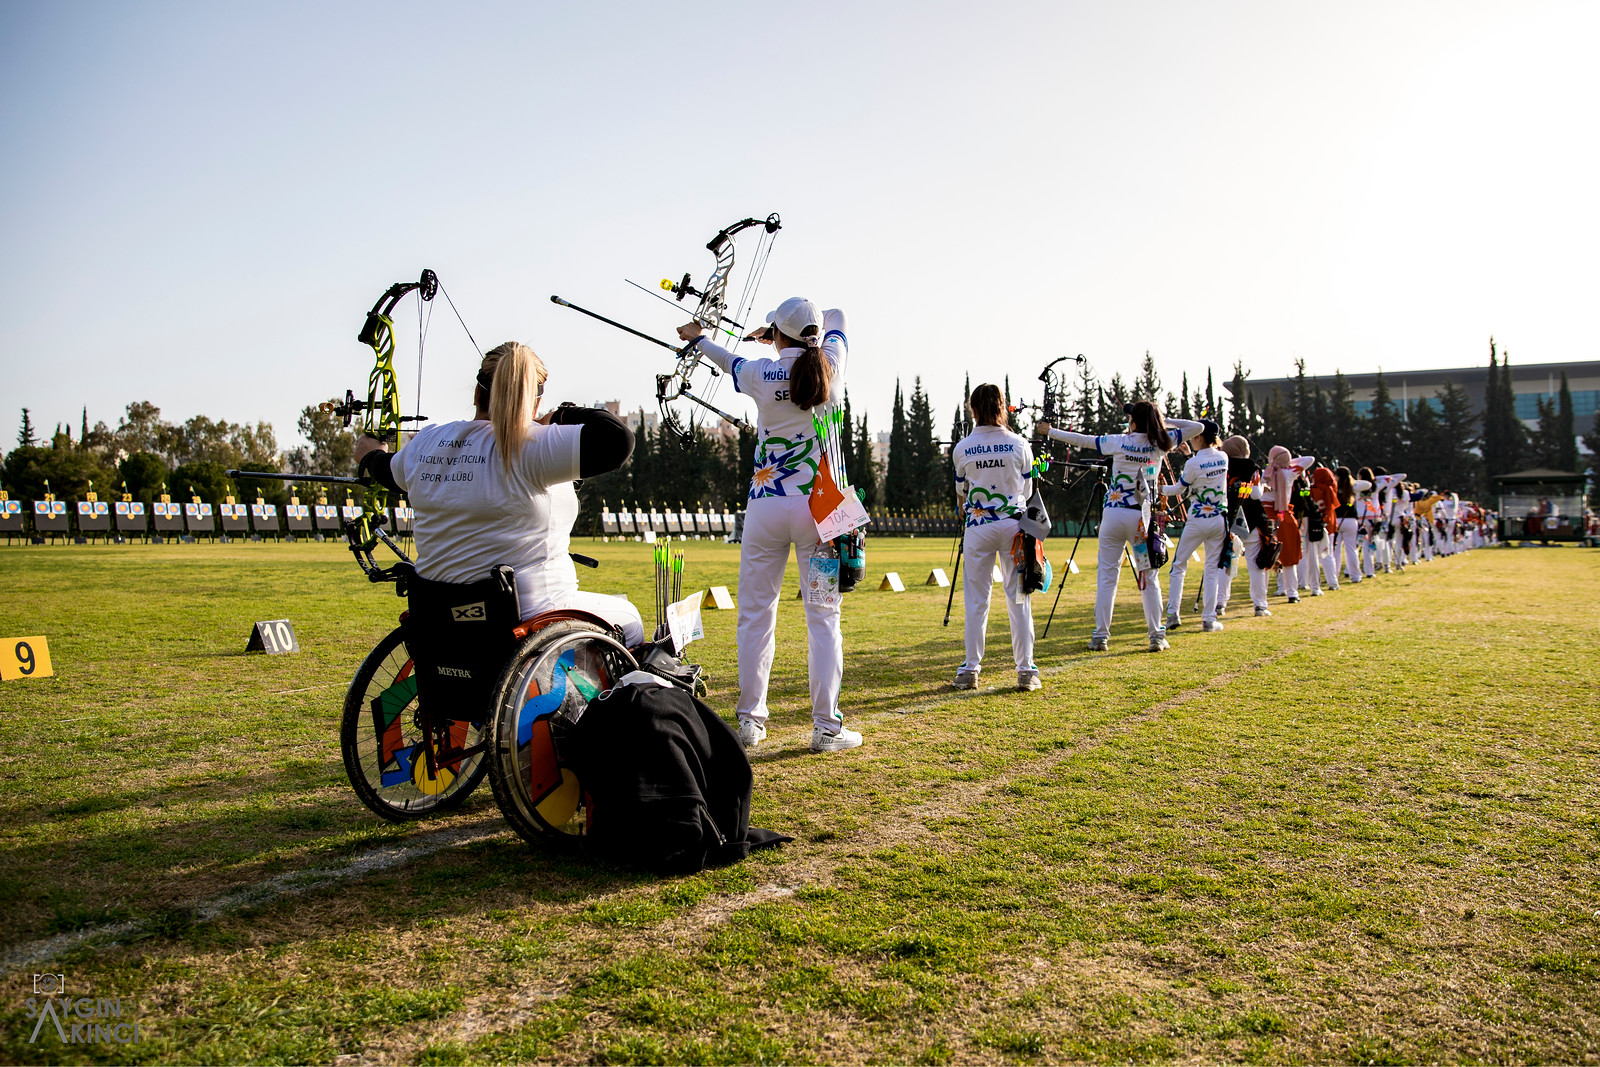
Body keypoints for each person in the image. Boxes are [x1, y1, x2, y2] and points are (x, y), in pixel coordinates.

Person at [354, 340, 644, 645]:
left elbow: (387, 471)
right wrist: (561, 415)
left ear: (477, 393)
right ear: (533, 402)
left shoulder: (428, 442)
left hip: (438, 616)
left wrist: (368, 455)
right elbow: (618, 440)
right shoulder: (531, 444)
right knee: (629, 617)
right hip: (530, 617)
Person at [676, 298, 861, 753]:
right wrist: (786, 334)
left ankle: (751, 721)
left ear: (778, 335)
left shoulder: (760, 373)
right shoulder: (831, 366)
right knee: (824, 619)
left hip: (765, 510)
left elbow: (724, 358)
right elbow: (837, 320)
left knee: (755, 616)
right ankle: (826, 727)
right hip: (819, 514)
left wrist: (699, 338)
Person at [1038, 402, 1204, 651]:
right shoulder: (1162, 441)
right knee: (1148, 577)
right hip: (1141, 519)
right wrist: (1163, 421)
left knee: (1107, 577)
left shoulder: (1118, 440)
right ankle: (1156, 636)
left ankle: (1100, 636)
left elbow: (1082, 440)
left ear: (1134, 423)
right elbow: (1198, 426)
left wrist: (1050, 431)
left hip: (1114, 515)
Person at [950, 384, 1040, 690]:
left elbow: (961, 493)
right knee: (1019, 599)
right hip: (1014, 527)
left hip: (978, 527)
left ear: (972, 409)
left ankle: (970, 669)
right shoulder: (1019, 444)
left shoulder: (963, 448)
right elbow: (1027, 492)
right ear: (1002, 406)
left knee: (977, 601)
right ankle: (1026, 671)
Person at [1161, 419, 1229, 632]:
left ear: (1199, 437)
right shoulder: (1223, 457)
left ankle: (1173, 614)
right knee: (1211, 569)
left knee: (1179, 565)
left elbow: (1178, 490)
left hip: (1197, 520)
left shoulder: (1193, 463)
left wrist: (1157, 488)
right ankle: (1209, 619)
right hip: (1218, 520)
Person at [1220, 435, 1274, 617]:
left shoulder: (1222, 464)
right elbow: (1256, 494)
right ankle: (1260, 605)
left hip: (1228, 517)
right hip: (1252, 518)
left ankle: (1220, 603)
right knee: (1255, 564)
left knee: (1226, 561)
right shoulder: (1252, 467)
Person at [1333, 467, 1369, 583]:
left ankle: (1334, 576)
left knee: (1336, 550)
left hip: (1336, 520)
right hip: (1351, 521)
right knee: (1351, 549)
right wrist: (1352, 481)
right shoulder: (1352, 488)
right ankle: (1356, 576)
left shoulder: (1334, 487)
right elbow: (1368, 484)